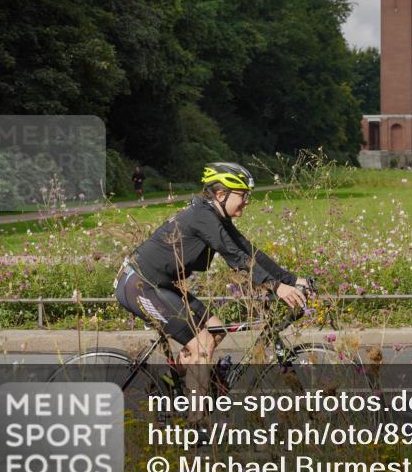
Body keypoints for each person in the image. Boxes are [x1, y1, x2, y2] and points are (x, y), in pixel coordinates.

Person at [114, 162, 308, 408]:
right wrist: (276, 287)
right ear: (220, 194)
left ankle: (172, 387)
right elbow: (234, 257)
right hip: (139, 285)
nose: (247, 201)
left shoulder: (213, 216)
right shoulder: (202, 217)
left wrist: (291, 280)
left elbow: (248, 251)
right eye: (242, 195)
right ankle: (198, 422)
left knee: (216, 329)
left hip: (159, 284)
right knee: (202, 345)